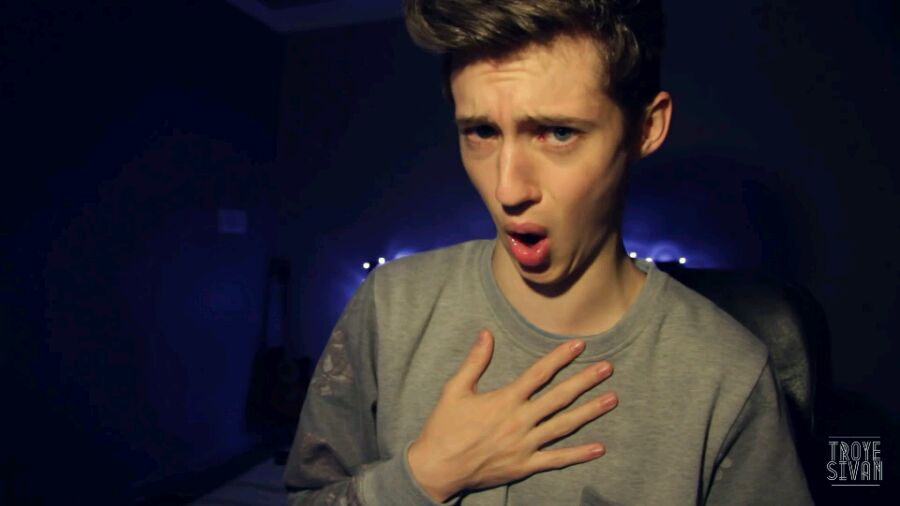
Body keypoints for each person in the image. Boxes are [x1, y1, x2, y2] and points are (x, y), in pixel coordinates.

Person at [283, 1, 813, 504]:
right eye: (482, 132)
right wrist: (422, 476)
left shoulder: (728, 375)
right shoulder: (389, 306)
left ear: (646, 128)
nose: (508, 188)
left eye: (558, 133)